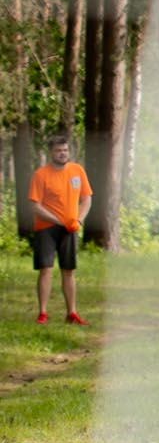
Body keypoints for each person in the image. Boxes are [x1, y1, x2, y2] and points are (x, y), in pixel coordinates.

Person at [28, 134, 91, 327]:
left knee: (68, 270)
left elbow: (86, 199)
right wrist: (57, 220)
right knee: (46, 269)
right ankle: (42, 313)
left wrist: (79, 220)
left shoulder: (77, 171)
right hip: (46, 228)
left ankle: (72, 313)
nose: (62, 153)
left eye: (65, 150)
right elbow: (34, 205)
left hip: (70, 228)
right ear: (51, 153)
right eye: (58, 150)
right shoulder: (41, 175)